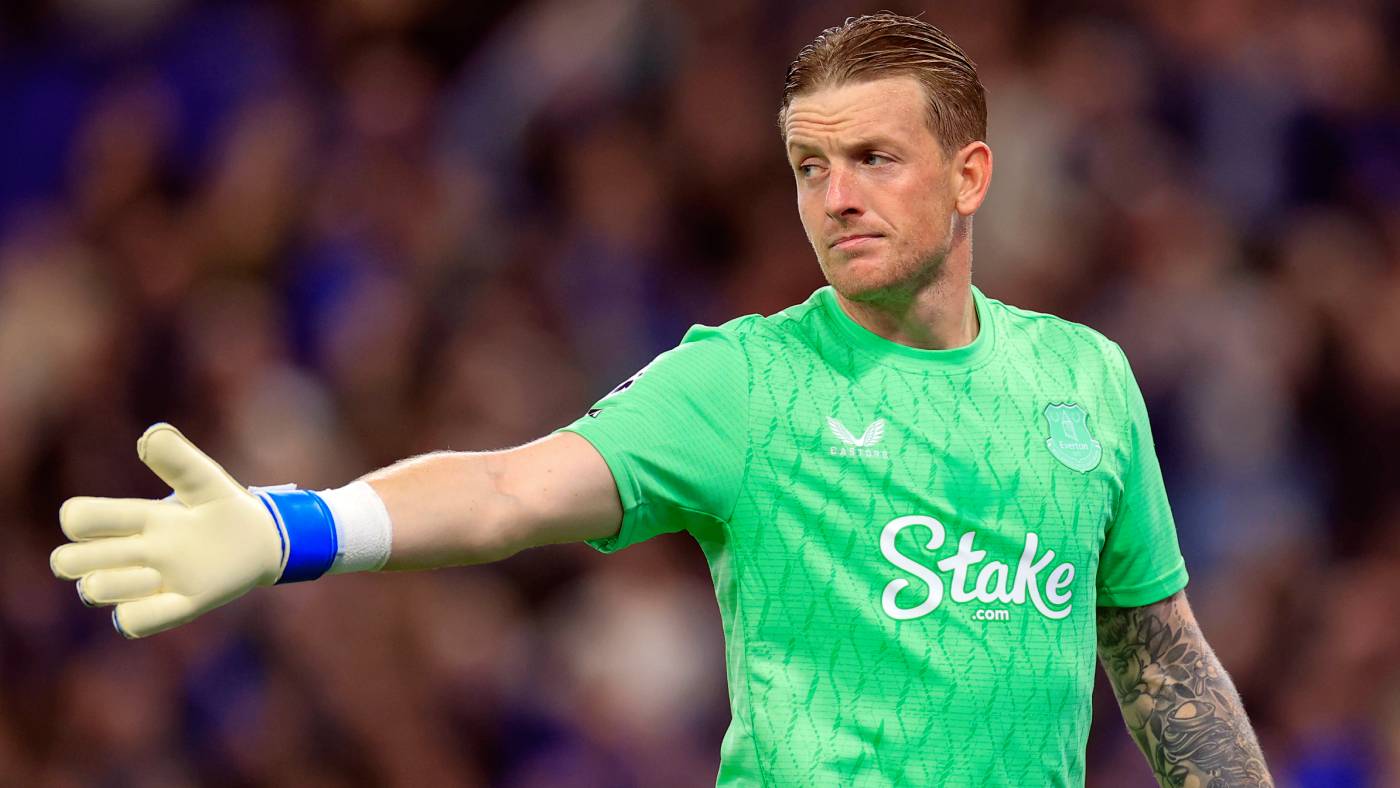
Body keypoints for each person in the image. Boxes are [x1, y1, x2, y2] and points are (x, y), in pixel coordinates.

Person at [49, 12, 1273, 787]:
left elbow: (1157, 649)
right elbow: (505, 488)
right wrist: (289, 526)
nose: (835, 197)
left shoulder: (1083, 379)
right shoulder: (740, 381)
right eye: (809, 165)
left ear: (969, 176)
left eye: (872, 158)